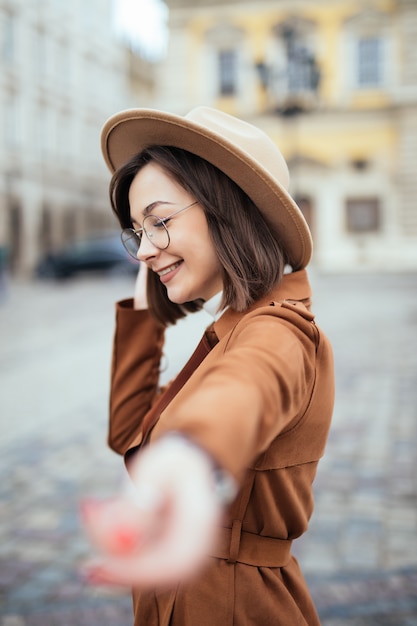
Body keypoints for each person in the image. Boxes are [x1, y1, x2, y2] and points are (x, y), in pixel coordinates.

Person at [81, 106, 335, 626]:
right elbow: (130, 434)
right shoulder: (233, 325)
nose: (143, 249)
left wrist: (191, 457)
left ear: (227, 208)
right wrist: (144, 311)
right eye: (136, 231)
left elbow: (244, 393)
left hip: (232, 607)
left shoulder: (278, 331)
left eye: (160, 221)